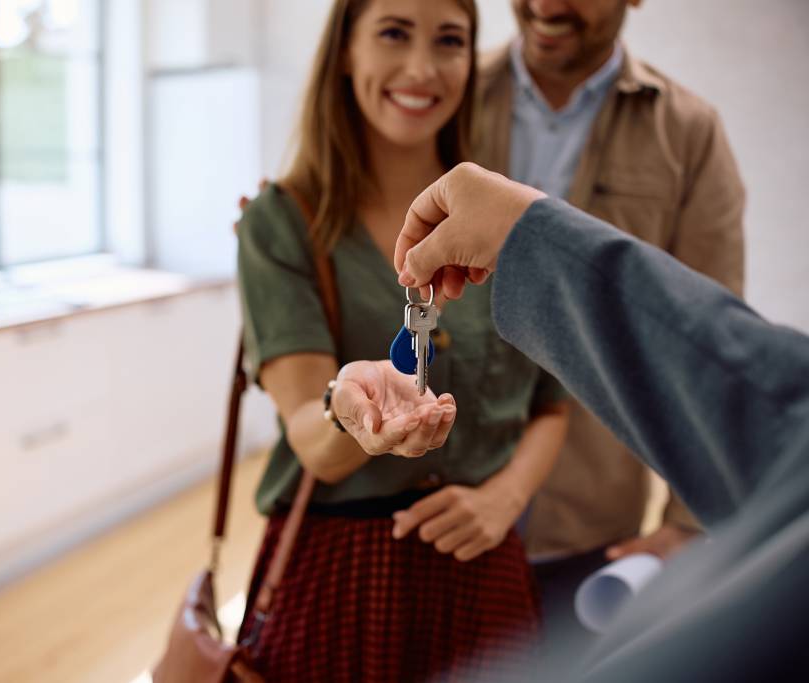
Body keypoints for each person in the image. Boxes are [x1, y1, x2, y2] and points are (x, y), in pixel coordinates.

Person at [329, 161, 809, 682]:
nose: (423, 75)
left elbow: (758, 396)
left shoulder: (684, 132)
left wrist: (683, 527)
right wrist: (339, 402)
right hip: (379, 564)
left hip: (576, 532)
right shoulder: (298, 215)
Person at [233, 1, 570, 680]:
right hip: (342, 580)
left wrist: (507, 497)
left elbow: (552, 403)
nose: (422, 68)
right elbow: (311, 440)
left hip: (486, 567)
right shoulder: (281, 222)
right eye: (393, 32)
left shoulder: (512, 219)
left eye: (449, 41)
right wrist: (347, 409)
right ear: (347, 53)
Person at [470, 0, 747, 649]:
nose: (545, 5)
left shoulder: (687, 131)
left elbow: (710, 335)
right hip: (444, 504)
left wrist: (686, 520)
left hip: (590, 526)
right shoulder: (446, 94)